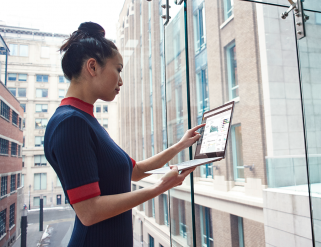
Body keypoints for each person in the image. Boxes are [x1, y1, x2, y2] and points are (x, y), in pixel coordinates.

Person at [44, 22, 203, 247]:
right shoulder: (71, 123)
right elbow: (89, 212)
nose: (120, 81)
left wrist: (179, 146)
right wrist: (160, 187)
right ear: (92, 67)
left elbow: (135, 171)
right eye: (118, 69)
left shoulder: (84, 120)